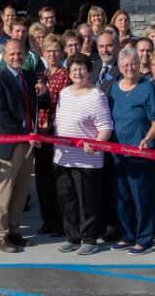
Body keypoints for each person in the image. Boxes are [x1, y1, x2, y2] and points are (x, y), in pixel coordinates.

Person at [0, 39, 44, 253]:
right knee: (5, 191)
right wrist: (24, 135)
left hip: (29, 144)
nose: (16, 57)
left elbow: (36, 107)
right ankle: (0, 234)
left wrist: (43, 94)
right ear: (4, 55)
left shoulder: (28, 77)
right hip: (11, 144)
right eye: (11, 54)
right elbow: (1, 116)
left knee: (22, 190)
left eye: (19, 53)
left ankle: (14, 230)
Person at [53, 52, 112, 256]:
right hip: (63, 157)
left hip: (87, 159)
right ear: (68, 73)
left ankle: (89, 239)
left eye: (82, 69)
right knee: (67, 199)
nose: (78, 72)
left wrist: (96, 144)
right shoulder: (64, 93)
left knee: (88, 201)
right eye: (74, 69)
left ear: (89, 72)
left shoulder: (97, 95)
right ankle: (72, 236)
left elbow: (106, 127)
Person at [108, 46, 155, 256]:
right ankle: (127, 235)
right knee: (122, 197)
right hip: (117, 153)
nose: (129, 68)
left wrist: (147, 138)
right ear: (120, 67)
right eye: (125, 65)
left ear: (139, 65)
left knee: (142, 198)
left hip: (141, 153)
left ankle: (144, 238)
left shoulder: (147, 88)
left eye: (133, 64)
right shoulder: (113, 88)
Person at [35, 35, 71, 236]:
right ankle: (47, 219)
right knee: (42, 179)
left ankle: (60, 222)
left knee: (58, 178)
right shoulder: (40, 75)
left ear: (62, 53)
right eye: (48, 51)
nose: (52, 54)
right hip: (40, 132)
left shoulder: (65, 75)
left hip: (57, 131)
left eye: (56, 50)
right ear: (43, 53)